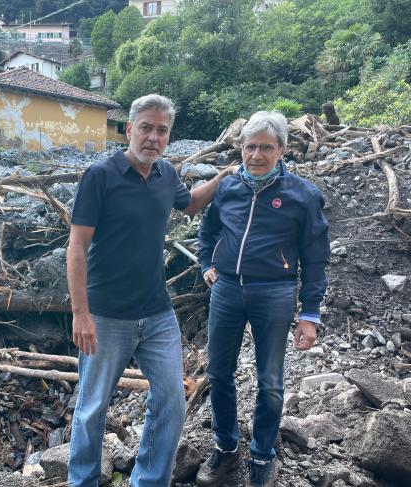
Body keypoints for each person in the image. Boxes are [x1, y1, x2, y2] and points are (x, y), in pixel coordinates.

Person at [66, 94, 235, 487]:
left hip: (157, 312)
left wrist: (223, 178)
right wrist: (80, 313)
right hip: (106, 314)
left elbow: (189, 204)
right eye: (146, 127)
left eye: (162, 131)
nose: (154, 138)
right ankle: (82, 481)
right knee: (92, 408)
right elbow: (76, 246)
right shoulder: (100, 176)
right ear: (129, 129)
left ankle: (149, 481)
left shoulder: (166, 175)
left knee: (172, 401)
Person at [195, 111, 330, 487]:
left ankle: (262, 453)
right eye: (250, 146)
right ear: (240, 147)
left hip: (275, 293)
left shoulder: (302, 196)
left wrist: (311, 314)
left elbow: (316, 258)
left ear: (282, 150)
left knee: (270, 381)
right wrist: (206, 261)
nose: (256, 155)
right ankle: (225, 445)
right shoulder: (228, 187)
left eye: (265, 148)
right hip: (226, 290)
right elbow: (207, 229)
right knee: (219, 372)